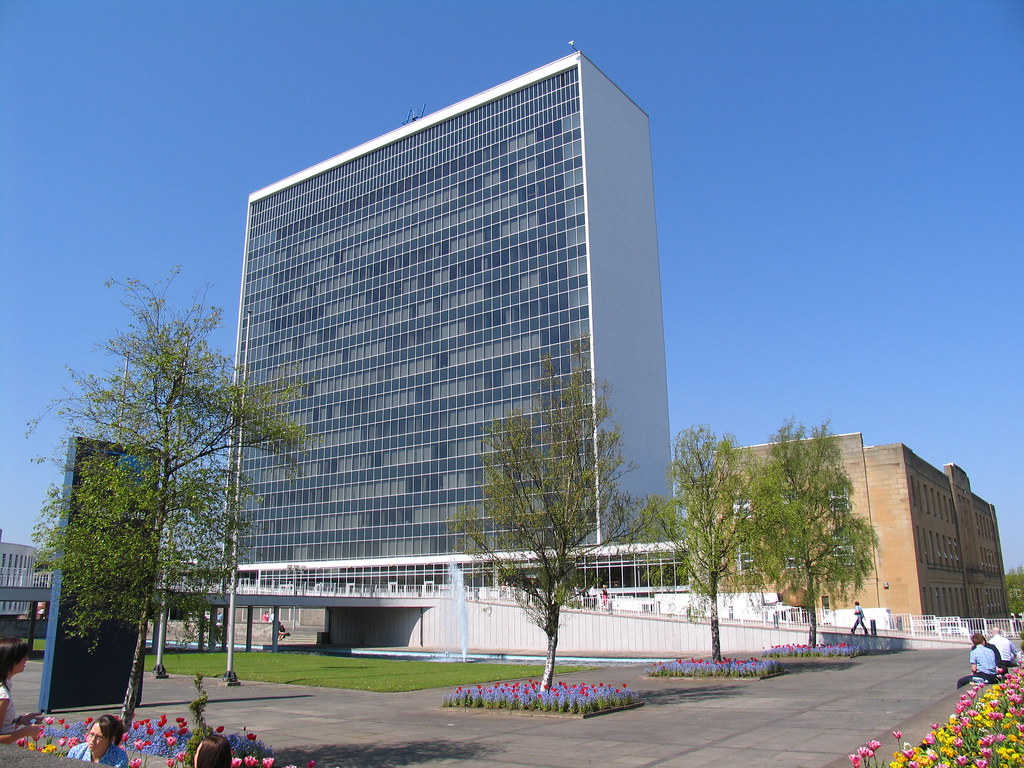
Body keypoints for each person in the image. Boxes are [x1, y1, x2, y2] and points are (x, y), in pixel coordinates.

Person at [0, 637, 43, 745]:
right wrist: (26, 731)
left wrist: (19, 720)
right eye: (23, 655)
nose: (27, 658)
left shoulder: (5, 688)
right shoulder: (3, 695)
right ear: (12, 659)